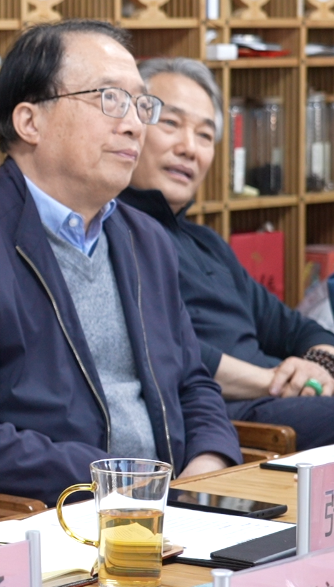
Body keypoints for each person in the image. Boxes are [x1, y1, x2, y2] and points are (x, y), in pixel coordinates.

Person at [0, 20, 242, 505]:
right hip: (60, 516)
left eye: (141, 104)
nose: (134, 124)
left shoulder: (146, 239)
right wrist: (116, 482)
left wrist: (208, 465)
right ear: (29, 122)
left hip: (167, 507)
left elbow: (192, 381)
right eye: (110, 99)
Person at [119, 57, 334, 448]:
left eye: (205, 135)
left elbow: (294, 327)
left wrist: (319, 366)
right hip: (225, 418)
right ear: (129, 126)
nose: (189, 148)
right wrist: (276, 381)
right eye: (171, 123)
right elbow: (165, 349)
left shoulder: (208, 243)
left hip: (283, 401)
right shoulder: (113, 234)